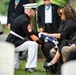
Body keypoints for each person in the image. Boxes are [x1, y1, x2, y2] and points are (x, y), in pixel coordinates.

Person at [6, 3, 42, 73]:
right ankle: (30, 67)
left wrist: (40, 34)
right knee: (33, 44)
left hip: (13, 41)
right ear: (30, 11)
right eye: (34, 10)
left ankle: (16, 66)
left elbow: (31, 31)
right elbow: (31, 36)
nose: (35, 12)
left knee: (15, 67)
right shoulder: (24, 20)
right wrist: (42, 42)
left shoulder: (23, 18)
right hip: (13, 43)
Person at [43, 4, 76, 74]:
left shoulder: (71, 22)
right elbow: (59, 33)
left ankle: (54, 65)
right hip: (62, 42)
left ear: (67, 13)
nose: (60, 16)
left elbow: (63, 35)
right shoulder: (64, 22)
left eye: (61, 14)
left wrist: (49, 35)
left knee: (58, 49)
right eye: (59, 14)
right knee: (46, 47)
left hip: (70, 42)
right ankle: (55, 68)